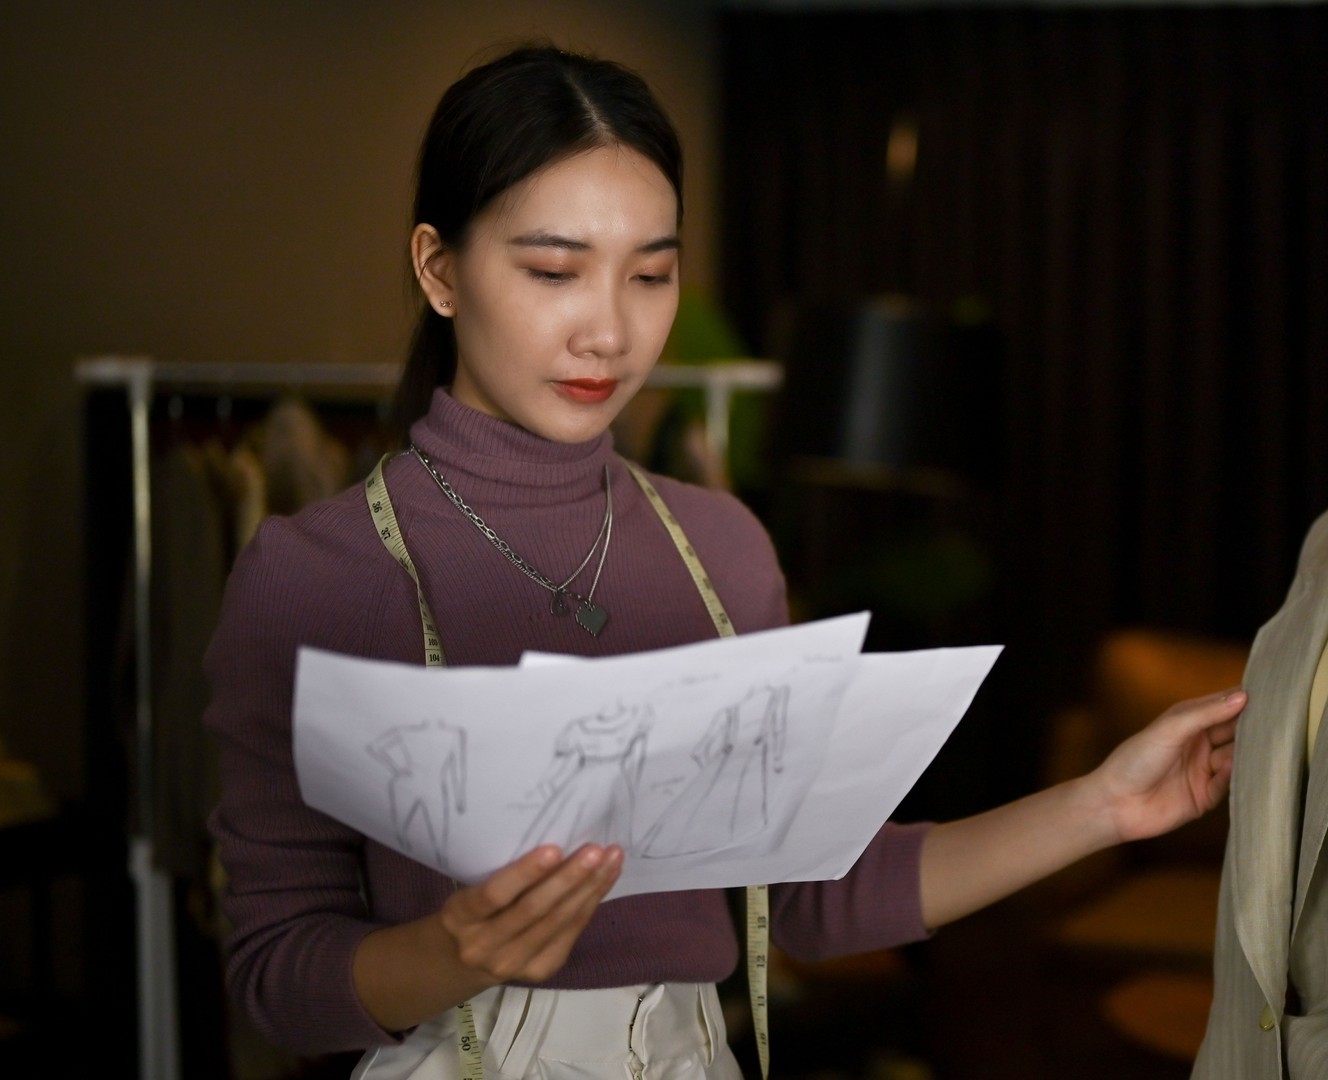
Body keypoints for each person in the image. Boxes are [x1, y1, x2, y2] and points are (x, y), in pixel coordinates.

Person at [205, 44, 1243, 1080]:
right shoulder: (312, 572)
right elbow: (274, 977)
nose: (610, 330)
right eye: (553, 271)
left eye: (651, 274)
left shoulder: (721, 549)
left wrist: (1104, 804)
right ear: (439, 268)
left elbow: (815, 898)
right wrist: (448, 953)